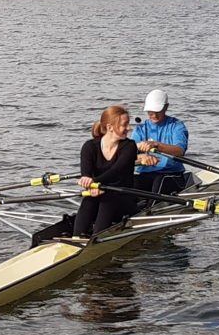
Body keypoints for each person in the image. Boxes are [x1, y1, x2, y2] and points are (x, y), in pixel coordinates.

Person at [73, 105, 138, 238]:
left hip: (124, 200)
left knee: (108, 198)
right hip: (97, 194)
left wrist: (95, 182)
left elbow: (116, 171)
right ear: (110, 127)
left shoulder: (129, 146)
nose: (129, 128)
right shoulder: (89, 147)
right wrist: (89, 184)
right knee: (89, 199)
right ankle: (76, 237)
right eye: (124, 125)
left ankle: (96, 239)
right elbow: (86, 174)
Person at [132, 89, 189, 195]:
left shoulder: (177, 126)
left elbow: (180, 151)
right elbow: (129, 155)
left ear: (166, 107)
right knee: (130, 182)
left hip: (172, 175)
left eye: (157, 111)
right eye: (150, 112)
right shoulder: (140, 130)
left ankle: (150, 205)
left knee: (159, 182)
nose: (154, 115)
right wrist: (141, 157)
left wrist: (157, 145)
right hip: (144, 175)